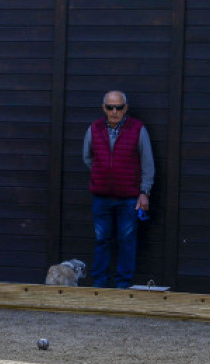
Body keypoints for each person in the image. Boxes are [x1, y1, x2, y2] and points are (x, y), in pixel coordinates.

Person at [83, 90, 155, 288]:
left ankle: (122, 285)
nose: (114, 111)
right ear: (103, 108)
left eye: (119, 107)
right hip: (101, 196)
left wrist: (144, 193)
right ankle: (100, 283)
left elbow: (147, 163)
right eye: (110, 107)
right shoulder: (94, 128)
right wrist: (103, 175)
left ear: (126, 108)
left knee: (127, 240)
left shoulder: (138, 129)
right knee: (102, 239)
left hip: (129, 197)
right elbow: (88, 157)